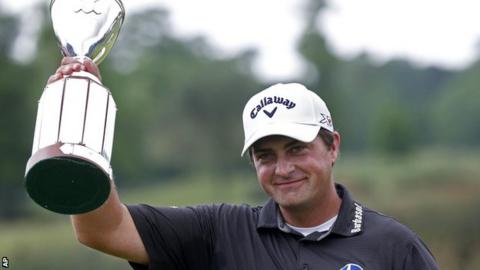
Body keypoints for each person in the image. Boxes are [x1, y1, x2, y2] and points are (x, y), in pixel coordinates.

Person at [50, 57, 440, 270]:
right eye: (265, 156)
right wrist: (78, 124)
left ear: (332, 147)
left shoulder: (392, 246)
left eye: (297, 149)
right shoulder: (219, 231)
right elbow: (102, 230)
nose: (282, 168)